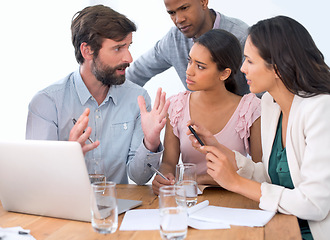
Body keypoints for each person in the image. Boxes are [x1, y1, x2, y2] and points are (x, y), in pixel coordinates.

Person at [189, 16, 330, 240]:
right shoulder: (269, 104)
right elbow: (270, 177)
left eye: (249, 61)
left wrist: (235, 183)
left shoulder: (320, 109)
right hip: (278, 225)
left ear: (277, 67)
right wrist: (222, 150)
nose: (242, 68)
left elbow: (314, 204)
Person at [26, 5, 169, 185]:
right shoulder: (46, 103)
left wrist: (150, 142)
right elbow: (37, 179)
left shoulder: (138, 98)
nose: (129, 58)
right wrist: (67, 156)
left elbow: (139, 177)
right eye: (118, 48)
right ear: (87, 51)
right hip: (62, 209)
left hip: (117, 207)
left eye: (128, 46)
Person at [151, 29, 262, 195]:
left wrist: (199, 179)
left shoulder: (250, 109)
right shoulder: (176, 106)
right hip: (190, 200)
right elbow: (169, 162)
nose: (189, 71)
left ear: (224, 74)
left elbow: (261, 171)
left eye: (200, 67)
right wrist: (164, 177)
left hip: (237, 200)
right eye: (190, 62)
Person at [126, 0, 250, 96]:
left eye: (184, 8)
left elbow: (264, 97)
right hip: (199, 122)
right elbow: (136, 72)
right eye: (172, 13)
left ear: (203, 1)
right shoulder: (174, 39)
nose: (179, 19)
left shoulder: (242, 37)